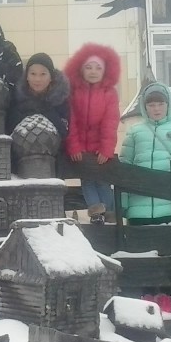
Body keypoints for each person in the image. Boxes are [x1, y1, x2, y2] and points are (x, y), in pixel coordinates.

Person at [119, 81, 171, 225]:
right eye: (151, 105)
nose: (156, 109)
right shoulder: (134, 131)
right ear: (144, 107)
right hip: (138, 210)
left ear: (168, 104)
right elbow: (124, 169)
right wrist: (122, 203)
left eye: (161, 104)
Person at [64, 42, 121, 224]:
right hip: (82, 150)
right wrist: (74, 147)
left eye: (98, 68)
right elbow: (71, 121)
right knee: (87, 180)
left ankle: (110, 213)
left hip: (99, 150)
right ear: (81, 69)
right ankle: (96, 212)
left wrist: (106, 149)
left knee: (102, 180)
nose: (93, 71)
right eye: (88, 67)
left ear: (105, 70)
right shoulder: (73, 92)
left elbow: (110, 122)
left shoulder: (109, 93)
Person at [6, 52, 70, 141]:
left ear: (51, 77)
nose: (37, 79)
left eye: (43, 74)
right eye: (33, 74)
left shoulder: (61, 102)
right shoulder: (15, 101)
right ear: (27, 76)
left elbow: (65, 134)